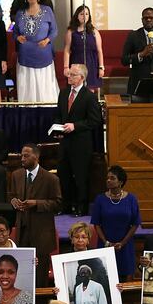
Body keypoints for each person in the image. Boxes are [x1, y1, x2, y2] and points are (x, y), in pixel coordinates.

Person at [8, 143, 61, 287]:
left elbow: (57, 203)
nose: (22, 159)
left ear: (36, 157)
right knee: (22, 276)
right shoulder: (16, 175)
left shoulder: (51, 179)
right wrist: (13, 201)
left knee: (40, 278)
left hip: (42, 234)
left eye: (26, 156)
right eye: (21, 156)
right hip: (22, 231)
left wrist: (36, 203)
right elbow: (11, 195)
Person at [54, 63, 101, 216]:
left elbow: (94, 121)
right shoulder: (63, 93)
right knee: (64, 174)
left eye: (73, 74)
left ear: (81, 77)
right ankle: (66, 205)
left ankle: (81, 207)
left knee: (81, 176)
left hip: (81, 143)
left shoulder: (89, 96)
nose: (69, 76)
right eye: (69, 74)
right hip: (65, 142)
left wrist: (75, 126)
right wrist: (57, 128)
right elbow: (59, 114)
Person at [91, 165, 140, 281]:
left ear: (121, 182)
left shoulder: (131, 199)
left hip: (125, 245)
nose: (108, 180)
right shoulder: (100, 199)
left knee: (123, 280)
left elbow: (135, 223)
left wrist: (123, 243)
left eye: (112, 178)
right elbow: (96, 224)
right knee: (104, 277)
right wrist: (106, 242)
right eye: (107, 178)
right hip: (105, 244)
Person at [13, 0, 58, 102]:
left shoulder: (47, 10)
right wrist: (18, 38)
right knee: (27, 87)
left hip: (43, 56)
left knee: (44, 88)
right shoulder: (19, 13)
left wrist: (47, 40)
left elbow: (54, 31)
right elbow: (15, 32)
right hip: (25, 57)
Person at [63, 5, 104, 90]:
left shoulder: (94, 31)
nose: (84, 16)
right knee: (76, 89)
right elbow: (67, 50)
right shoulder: (71, 32)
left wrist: (101, 67)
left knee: (90, 90)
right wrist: (66, 67)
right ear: (77, 16)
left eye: (87, 14)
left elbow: (99, 51)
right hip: (76, 63)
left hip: (91, 65)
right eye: (82, 14)